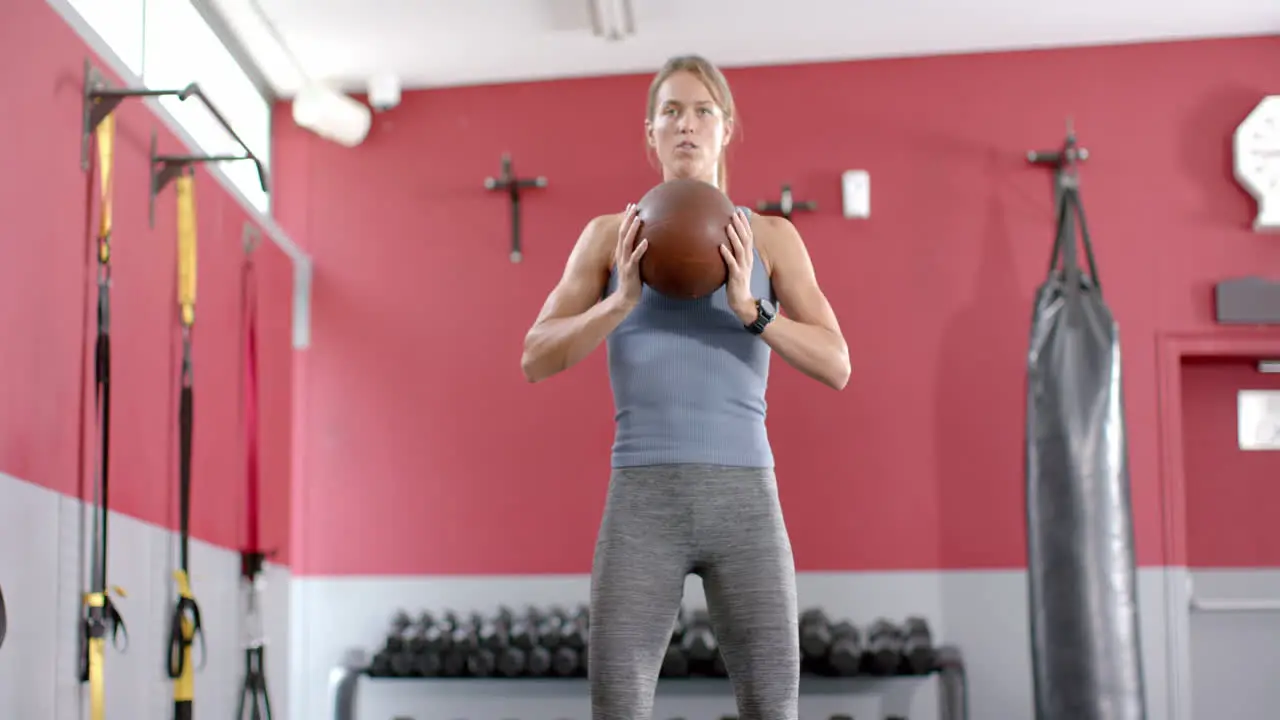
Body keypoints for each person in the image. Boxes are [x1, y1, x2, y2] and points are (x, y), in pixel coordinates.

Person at [520, 54, 850, 720]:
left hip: (746, 504)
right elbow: (536, 356)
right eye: (670, 110)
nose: (687, 124)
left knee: (772, 707)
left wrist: (752, 310)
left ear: (727, 129)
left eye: (703, 110)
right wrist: (617, 304)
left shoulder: (771, 239)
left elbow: (836, 363)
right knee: (617, 706)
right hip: (643, 503)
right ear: (650, 134)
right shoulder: (608, 238)